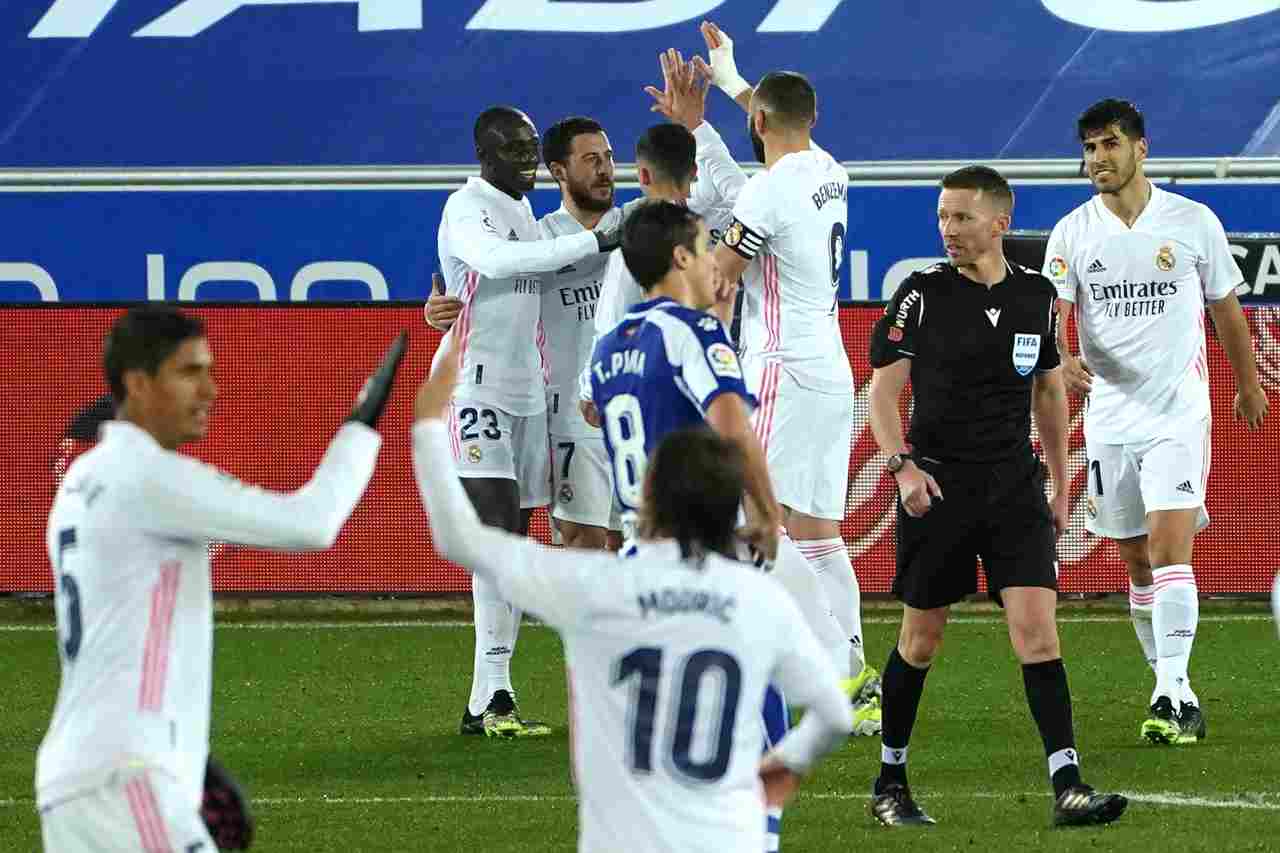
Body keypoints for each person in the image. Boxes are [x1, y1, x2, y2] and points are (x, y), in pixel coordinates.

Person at [412, 344, 854, 853]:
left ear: (648, 496)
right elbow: (835, 715)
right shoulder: (759, 597)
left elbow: (461, 539)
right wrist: (779, 778)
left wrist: (427, 423)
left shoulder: (597, 588)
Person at [36, 306, 397, 851]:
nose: (211, 390)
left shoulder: (85, 478)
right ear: (137, 383)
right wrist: (362, 424)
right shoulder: (146, 475)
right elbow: (312, 523)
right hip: (127, 775)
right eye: (190, 372)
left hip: (88, 776)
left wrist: (185, 756)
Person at [865, 165, 1126, 827]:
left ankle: (1068, 784)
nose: (948, 229)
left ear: (999, 222)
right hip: (938, 486)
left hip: (1013, 485)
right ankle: (889, 781)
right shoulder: (918, 295)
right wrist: (901, 469)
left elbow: (1046, 391)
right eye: (943, 216)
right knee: (921, 639)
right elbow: (883, 396)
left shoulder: (1037, 295)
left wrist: (1061, 480)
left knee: (1038, 633)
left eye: (961, 216)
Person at [1045, 98, 1269, 745]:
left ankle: (1173, 692)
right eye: (1089, 149)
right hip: (1110, 420)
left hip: (1178, 412)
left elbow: (1225, 307)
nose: (1097, 160)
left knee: (1171, 549)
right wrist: (1063, 359)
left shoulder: (1192, 222)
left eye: (1109, 145)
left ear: (1141, 150)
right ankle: (1170, 683)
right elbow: (1054, 314)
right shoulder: (1074, 232)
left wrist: (1248, 384)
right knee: (1137, 561)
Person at [698, 24, 880, 712]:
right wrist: (729, 78)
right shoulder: (831, 169)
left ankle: (832, 663)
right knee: (820, 533)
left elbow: (722, 280)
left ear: (759, 123)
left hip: (779, 364)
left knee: (760, 520)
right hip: (832, 369)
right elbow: (770, 110)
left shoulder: (766, 192)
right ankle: (857, 678)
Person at [435, 105, 616, 738]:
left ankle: (489, 699)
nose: (527, 160)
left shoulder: (529, 219)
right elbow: (499, 263)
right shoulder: (468, 208)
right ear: (484, 154)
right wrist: (598, 238)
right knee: (498, 543)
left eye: (532, 148)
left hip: (531, 398)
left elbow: (556, 270)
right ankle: (493, 695)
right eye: (514, 149)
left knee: (513, 540)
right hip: (475, 390)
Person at [535, 116, 625, 551]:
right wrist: (438, 312)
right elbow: (482, 300)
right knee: (583, 542)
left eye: (608, 158)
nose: (605, 169)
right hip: (572, 411)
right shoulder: (538, 239)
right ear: (558, 171)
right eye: (590, 160)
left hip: (635, 408)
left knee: (637, 545)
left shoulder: (638, 228)